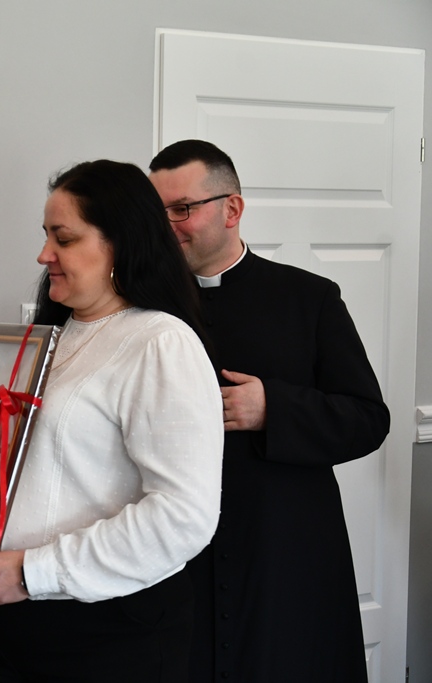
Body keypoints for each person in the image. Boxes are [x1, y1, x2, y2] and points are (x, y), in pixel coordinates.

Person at [0, 160, 224, 682]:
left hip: (104, 633)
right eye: (46, 235)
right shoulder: (48, 337)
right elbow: (48, 471)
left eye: (64, 238)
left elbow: (183, 516)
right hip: (1, 610)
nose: (43, 254)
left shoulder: (161, 343)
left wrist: (32, 573)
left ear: (120, 243)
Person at [148, 139, 390, 683]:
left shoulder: (310, 298)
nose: (167, 226)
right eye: (156, 212)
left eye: (181, 209)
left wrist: (272, 408)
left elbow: (368, 419)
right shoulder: (144, 308)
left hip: (285, 548)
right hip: (177, 551)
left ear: (231, 209)